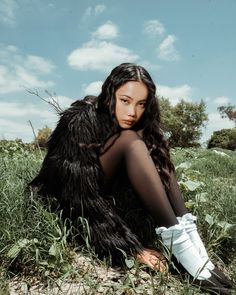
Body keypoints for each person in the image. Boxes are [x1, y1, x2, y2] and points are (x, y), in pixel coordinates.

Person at [30, 63, 233, 294]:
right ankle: (179, 244)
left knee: (158, 151)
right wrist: (132, 248)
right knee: (130, 140)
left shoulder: (141, 120)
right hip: (66, 194)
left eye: (141, 104)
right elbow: (76, 193)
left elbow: (159, 164)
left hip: (104, 185)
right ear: (110, 94)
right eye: (125, 100)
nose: (132, 112)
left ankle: (194, 246)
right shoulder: (79, 122)